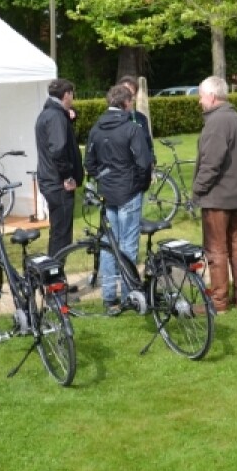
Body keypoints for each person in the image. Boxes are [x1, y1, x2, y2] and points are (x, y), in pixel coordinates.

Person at [83, 85, 154, 314]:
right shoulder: (131, 129)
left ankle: (108, 296)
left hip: (108, 192)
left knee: (108, 244)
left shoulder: (96, 129)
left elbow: (90, 164)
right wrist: (139, 185)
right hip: (128, 192)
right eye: (131, 102)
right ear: (126, 103)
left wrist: (105, 179)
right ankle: (128, 295)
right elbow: (144, 163)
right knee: (128, 245)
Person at [192, 76, 237, 313]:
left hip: (217, 197)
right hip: (235, 193)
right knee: (236, 244)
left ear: (212, 96)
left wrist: (197, 190)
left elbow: (210, 164)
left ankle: (218, 302)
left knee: (216, 249)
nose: (199, 101)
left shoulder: (217, 123)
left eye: (200, 96)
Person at [35, 78, 84, 256]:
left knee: (58, 232)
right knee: (61, 236)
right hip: (58, 183)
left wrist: (70, 116)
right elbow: (59, 150)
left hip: (50, 180)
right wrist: (68, 177)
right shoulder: (55, 117)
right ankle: (54, 280)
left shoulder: (49, 114)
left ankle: (54, 278)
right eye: (72, 94)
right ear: (67, 95)